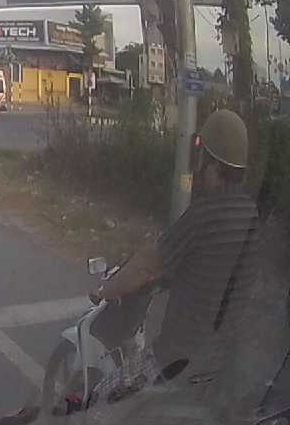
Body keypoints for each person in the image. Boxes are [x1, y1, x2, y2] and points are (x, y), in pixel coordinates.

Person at [93, 108, 261, 384]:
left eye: (201, 155)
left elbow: (146, 267)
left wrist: (104, 290)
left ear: (212, 165)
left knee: (105, 398)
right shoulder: (251, 214)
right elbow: (215, 269)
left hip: (176, 361)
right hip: (224, 360)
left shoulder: (203, 215)